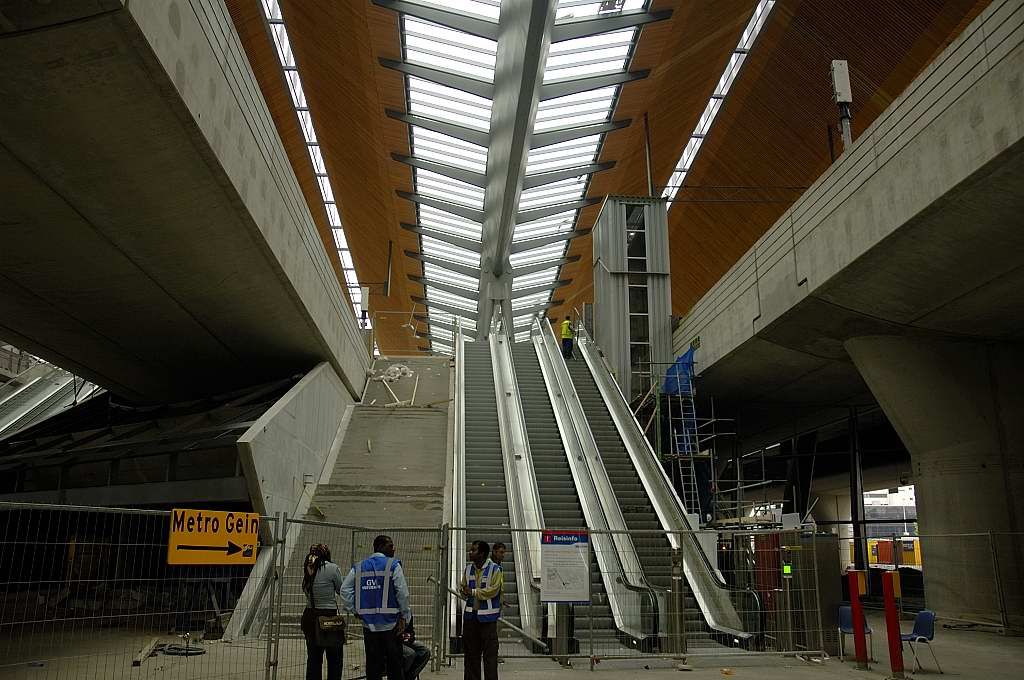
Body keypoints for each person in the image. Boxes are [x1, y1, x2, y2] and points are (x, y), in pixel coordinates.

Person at [341, 535, 410, 680]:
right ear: (380, 547)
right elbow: (402, 593)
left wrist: (354, 609)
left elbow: (345, 589)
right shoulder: (393, 565)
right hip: (391, 626)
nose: (394, 549)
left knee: (373, 667)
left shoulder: (359, 567)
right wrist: (404, 616)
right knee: (395, 666)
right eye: (390, 546)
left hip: (369, 626)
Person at [301, 544, 344, 680]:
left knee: (313, 658)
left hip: (309, 616)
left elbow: (306, 591)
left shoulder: (308, 568)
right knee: (334, 657)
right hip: (328, 616)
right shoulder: (332, 568)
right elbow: (340, 590)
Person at [460, 540, 502, 680]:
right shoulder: (468, 569)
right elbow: (462, 586)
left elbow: (494, 590)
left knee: (490, 659)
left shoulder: (495, 569)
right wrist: (464, 592)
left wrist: (472, 592)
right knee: (471, 658)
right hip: (471, 619)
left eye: (473, 550)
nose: (470, 552)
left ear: (482, 554)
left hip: (488, 621)